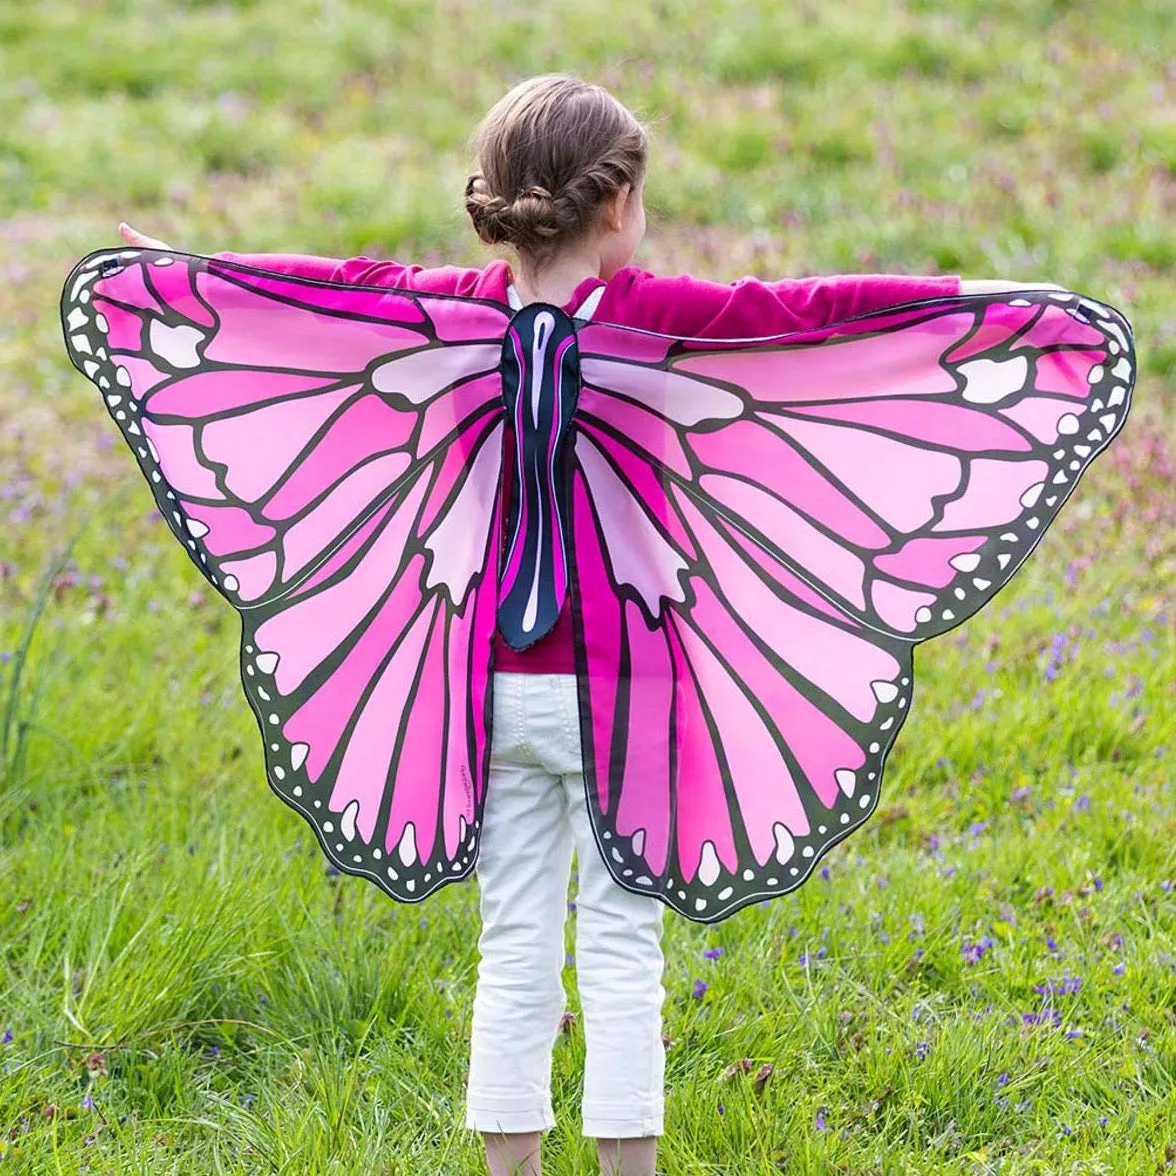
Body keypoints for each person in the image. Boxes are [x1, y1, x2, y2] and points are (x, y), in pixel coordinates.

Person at [117, 72, 1063, 1176]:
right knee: (622, 952)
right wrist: (989, 301)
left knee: (513, 945)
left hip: (492, 691)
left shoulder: (454, 311)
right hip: (635, 699)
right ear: (616, 206)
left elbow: (329, 294)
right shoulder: (661, 317)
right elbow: (819, 311)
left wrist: (192, 275)